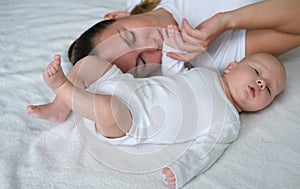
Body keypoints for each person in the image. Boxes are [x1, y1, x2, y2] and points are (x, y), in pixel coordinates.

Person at [38, 26, 286, 189]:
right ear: (232, 66)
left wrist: (182, 169)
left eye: (270, 90)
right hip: (126, 86)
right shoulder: (205, 73)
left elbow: (206, 151)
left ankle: (63, 88)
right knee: (89, 63)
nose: (261, 83)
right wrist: (171, 46)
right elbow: (173, 71)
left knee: (106, 109)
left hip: (130, 121)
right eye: (256, 71)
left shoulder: (229, 120)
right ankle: (59, 107)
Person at [27, 0, 300, 122]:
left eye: (130, 38)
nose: (151, 44)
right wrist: (227, 21)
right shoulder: (220, 58)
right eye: (144, 59)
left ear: (117, 15)